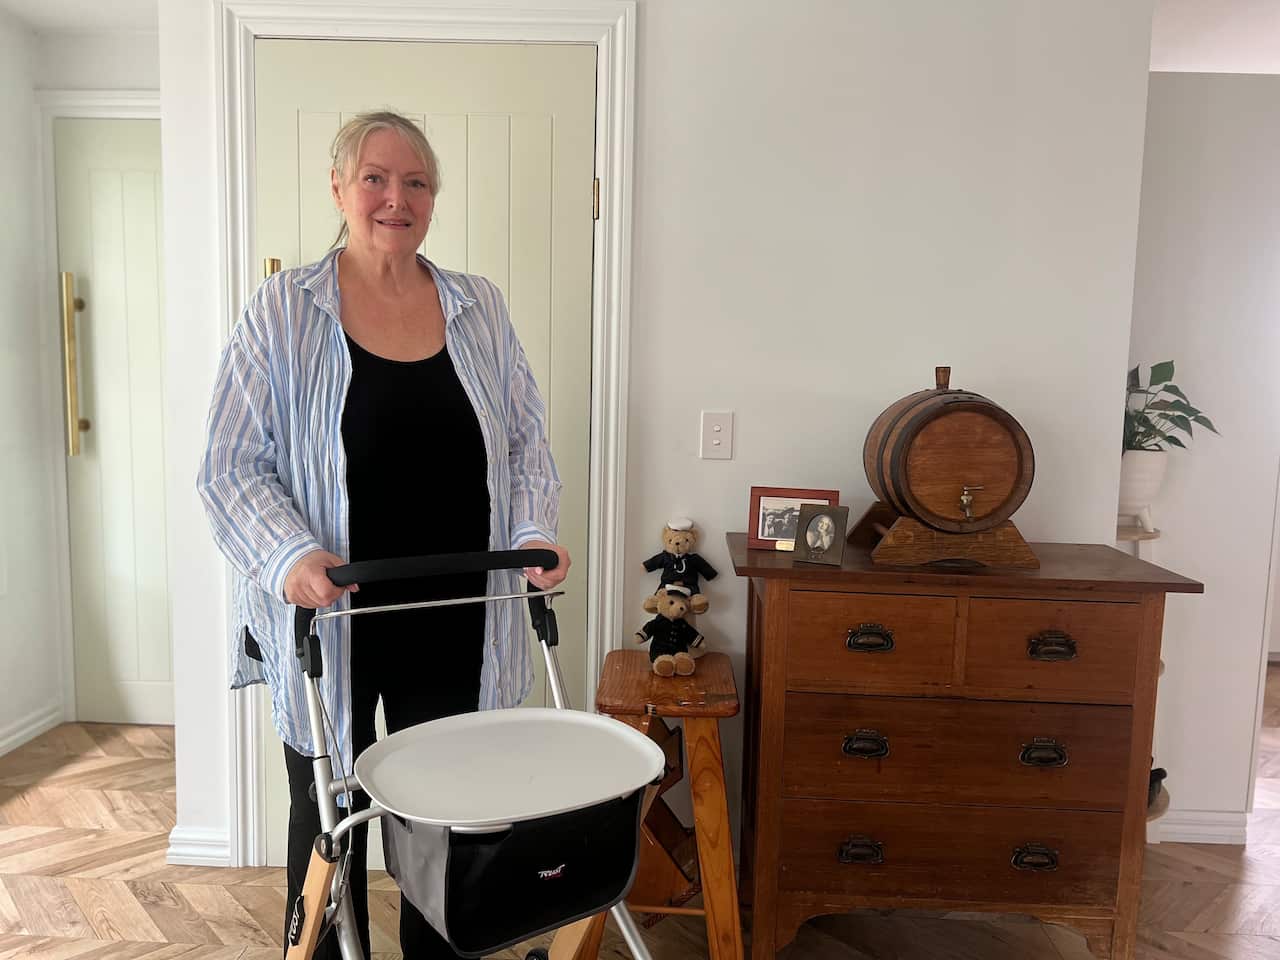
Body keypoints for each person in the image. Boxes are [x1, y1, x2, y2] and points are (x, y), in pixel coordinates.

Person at [197, 110, 569, 960]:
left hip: (459, 611)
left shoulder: (479, 307)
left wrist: (533, 530)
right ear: (339, 189)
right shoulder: (282, 311)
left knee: (447, 824)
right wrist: (289, 555)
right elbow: (229, 466)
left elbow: (524, 442)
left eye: (416, 182)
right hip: (334, 619)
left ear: (433, 197)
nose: (395, 198)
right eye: (375, 177)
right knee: (329, 821)